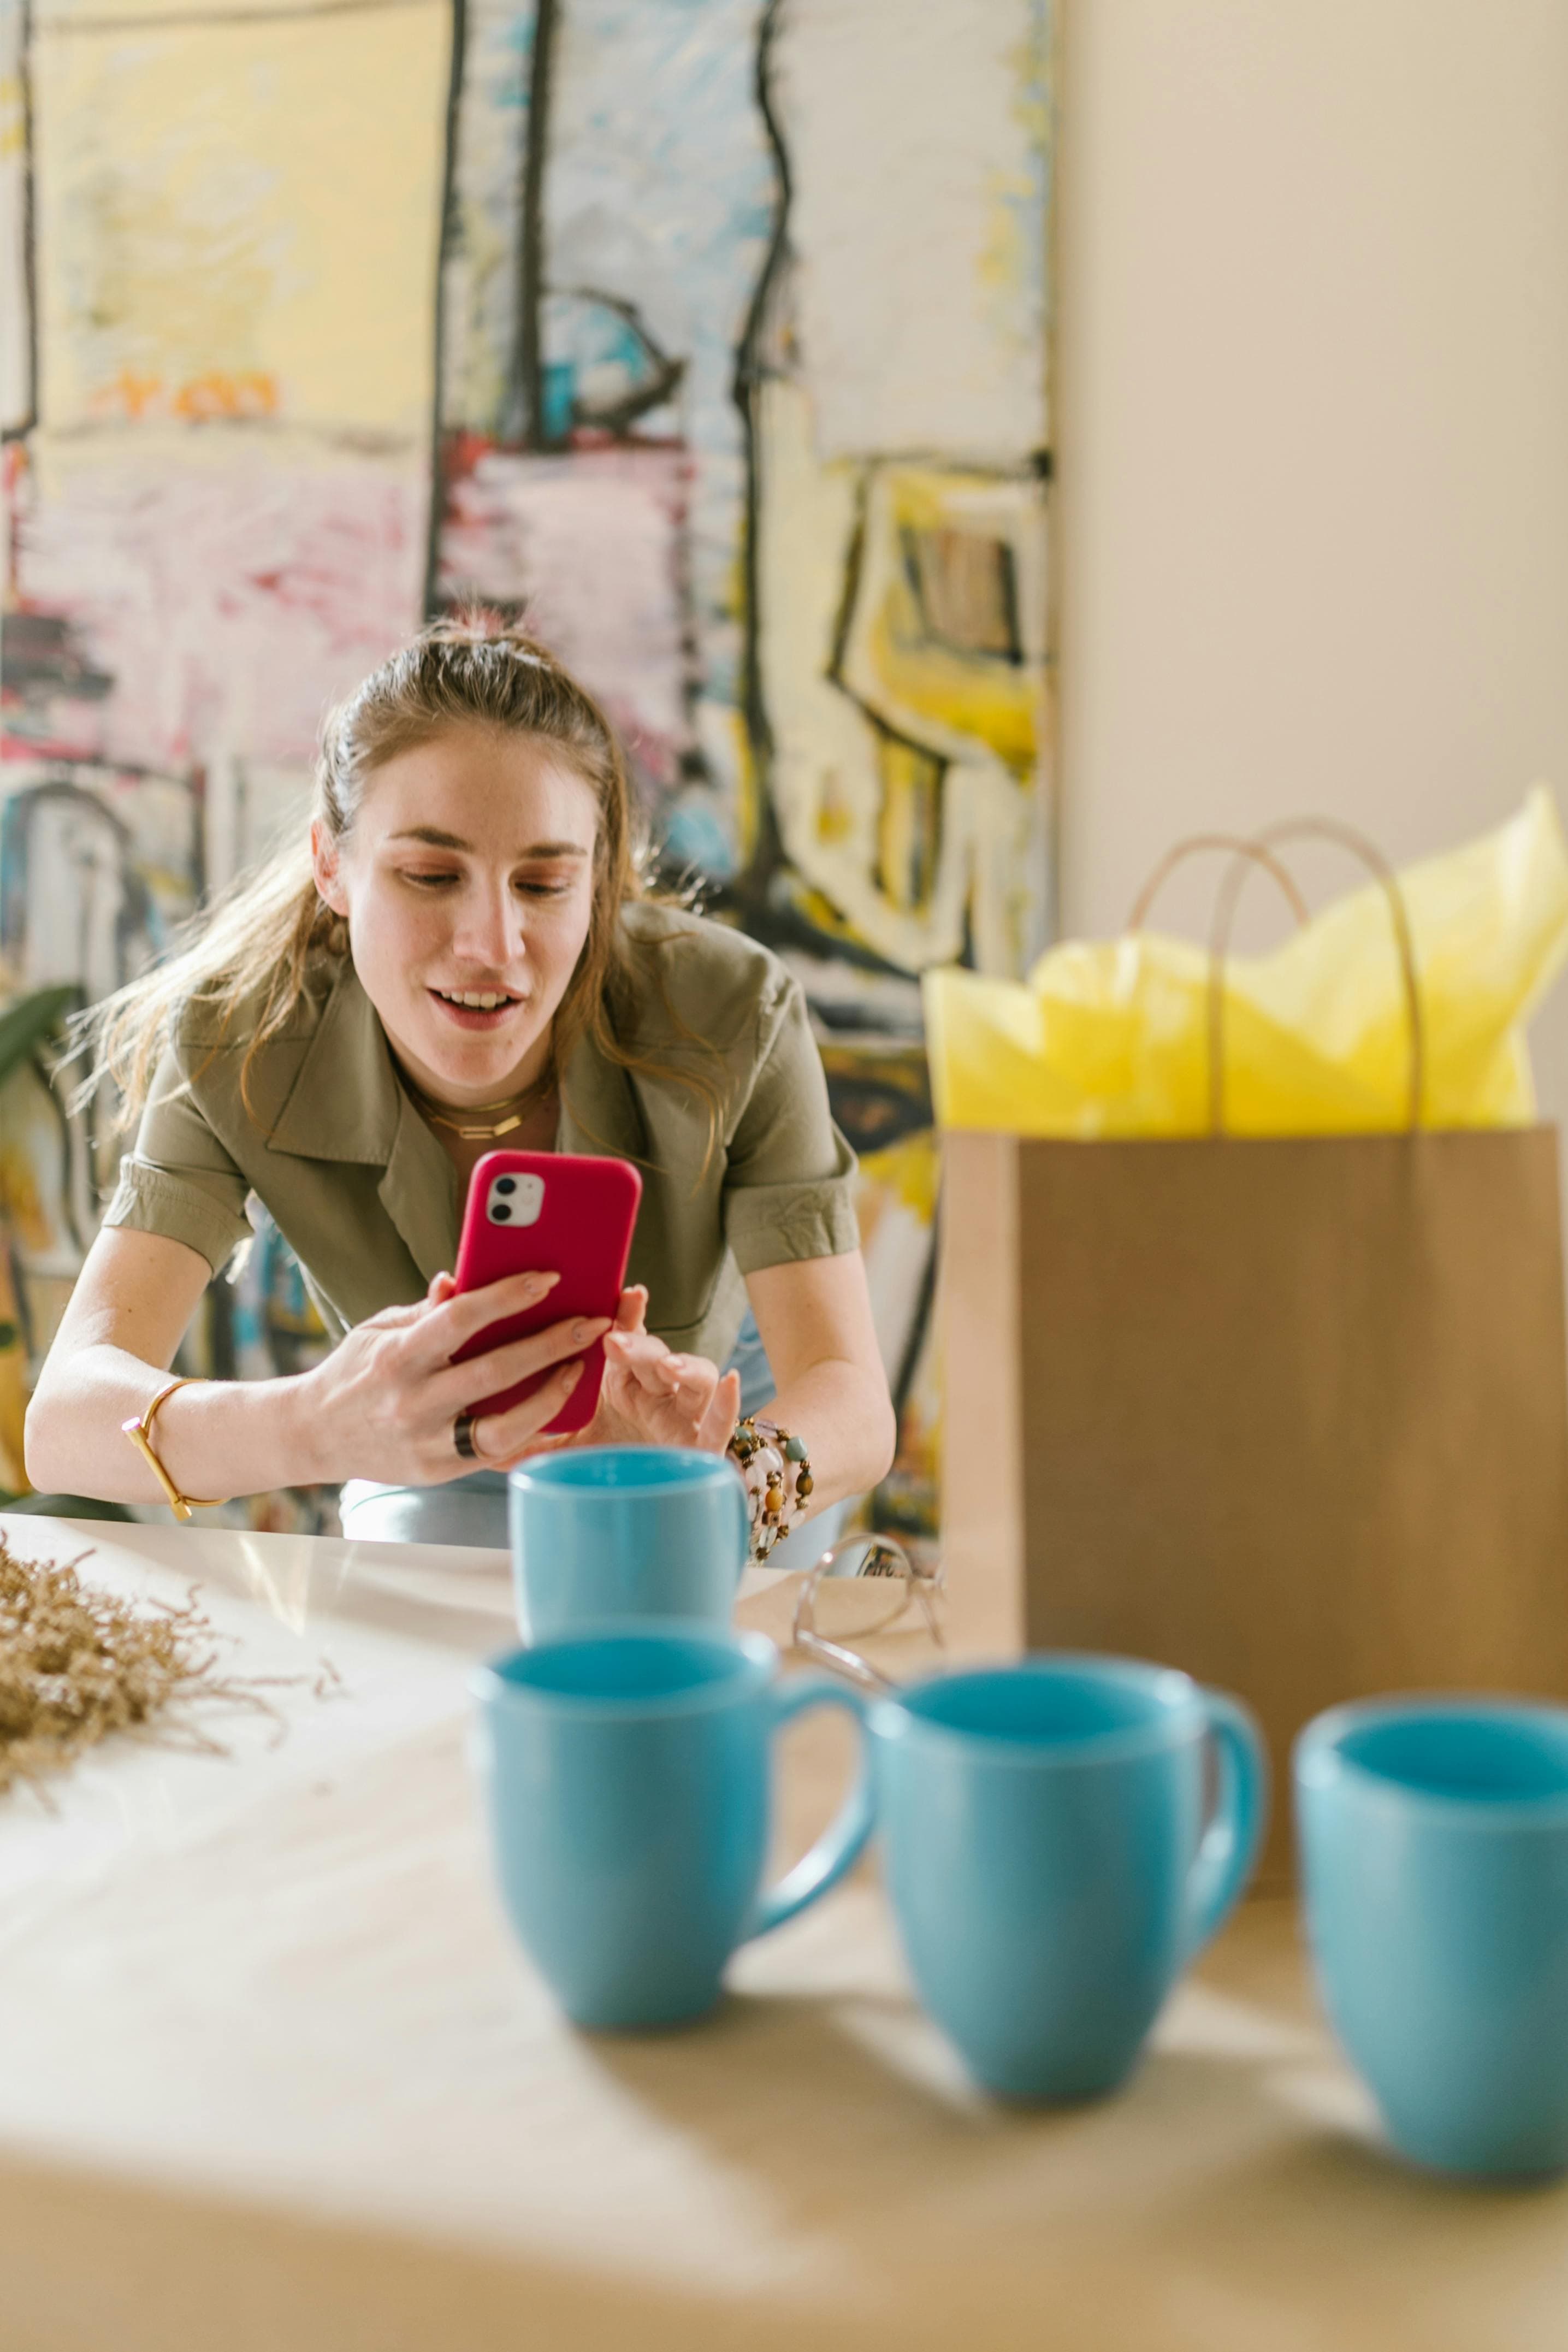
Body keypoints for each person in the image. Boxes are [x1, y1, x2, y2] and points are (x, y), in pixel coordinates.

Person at [23, 617, 896, 1554]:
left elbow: (847, 1395)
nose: (491, 945)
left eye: (544, 883)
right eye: (431, 875)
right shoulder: (238, 1036)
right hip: (425, 1435)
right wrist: (318, 1422)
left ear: (597, 880)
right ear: (333, 865)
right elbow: (65, 1421)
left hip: (716, 1417)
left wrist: (719, 1483)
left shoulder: (736, 1008)